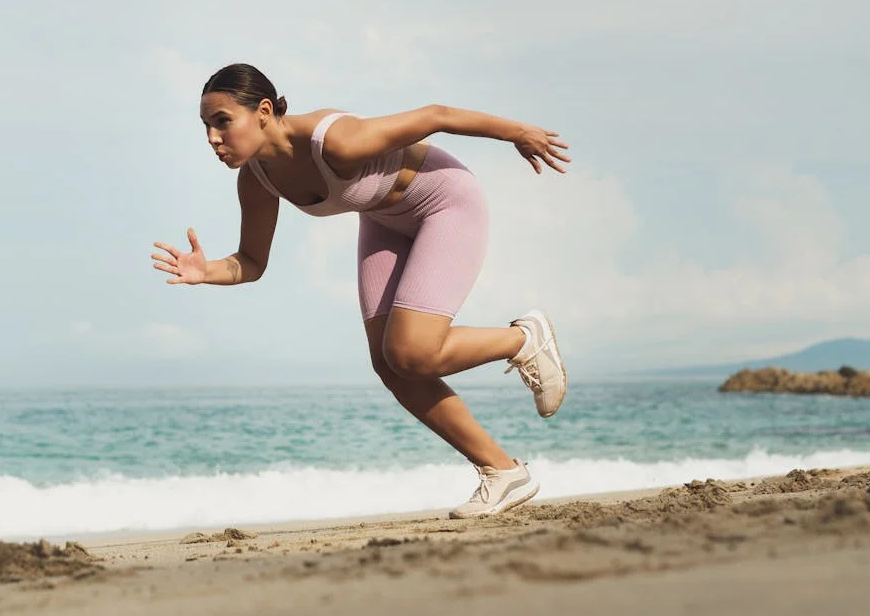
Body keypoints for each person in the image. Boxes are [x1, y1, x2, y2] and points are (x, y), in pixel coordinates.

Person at [151, 63, 571, 518]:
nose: (212, 138)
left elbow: (437, 115)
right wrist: (205, 271)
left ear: (264, 111)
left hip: (444, 202)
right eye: (206, 126)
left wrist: (519, 133)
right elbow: (252, 262)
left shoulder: (336, 140)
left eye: (222, 121)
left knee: (412, 352)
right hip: (383, 218)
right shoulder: (257, 179)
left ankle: (524, 339)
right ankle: (503, 471)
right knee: (389, 363)